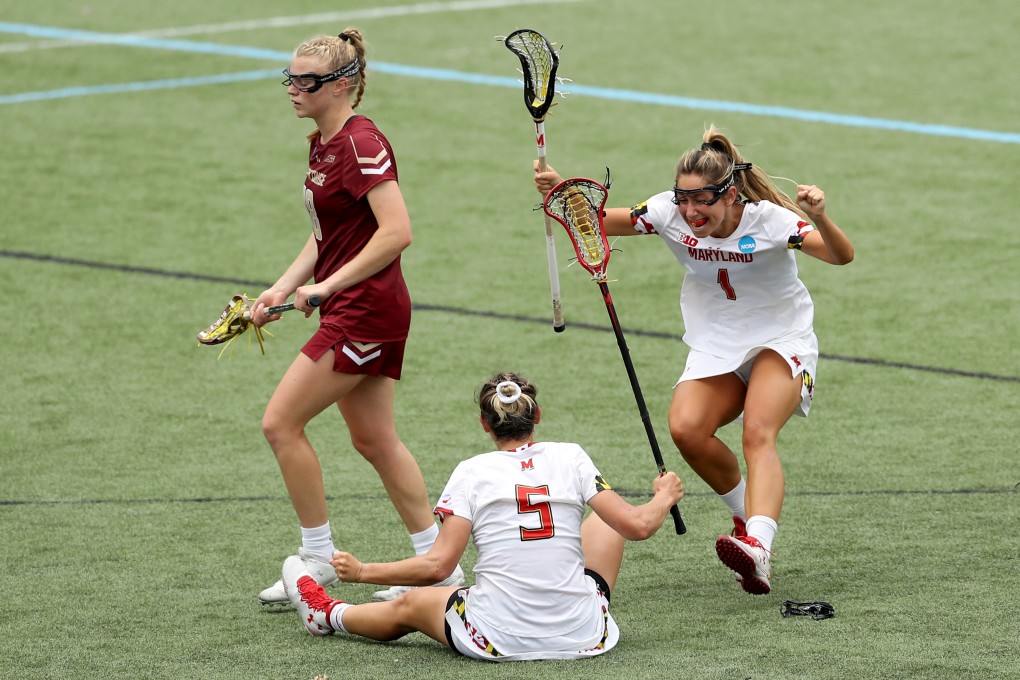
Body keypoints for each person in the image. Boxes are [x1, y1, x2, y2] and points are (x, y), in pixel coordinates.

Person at [533, 125, 854, 595]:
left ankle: (760, 546)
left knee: (757, 431)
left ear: (729, 195)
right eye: (683, 200)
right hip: (717, 343)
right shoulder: (668, 213)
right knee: (686, 428)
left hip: (781, 339)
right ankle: (746, 515)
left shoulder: (770, 221)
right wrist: (562, 192)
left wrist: (820, 216)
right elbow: (597, 223)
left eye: (701, 201)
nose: (689, 212)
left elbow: (841, 256)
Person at [252, 28, 463, 606]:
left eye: (306, 81)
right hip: (352, 304)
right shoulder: (322, 142)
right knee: (374, 439)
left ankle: (318, 556)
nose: (293, 89)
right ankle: (437, 564)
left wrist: (326, 288)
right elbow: (331, 235)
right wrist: (281, 289)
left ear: (341, 85)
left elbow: (397, 232)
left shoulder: (362, 143)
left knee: (280, 424)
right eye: (290, 78)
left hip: (365, 311)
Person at [281, 371, 684, 661]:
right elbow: (638, 525)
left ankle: (327, 615)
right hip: (586, 635)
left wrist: (363, 571)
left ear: (484, 425)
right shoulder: (570, 456)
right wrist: (664, 496)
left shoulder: (471, 471)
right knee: (605, 519)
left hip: (497, 636)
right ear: (536, 417)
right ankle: (570, 608)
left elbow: (439, 567)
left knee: (412, 606)